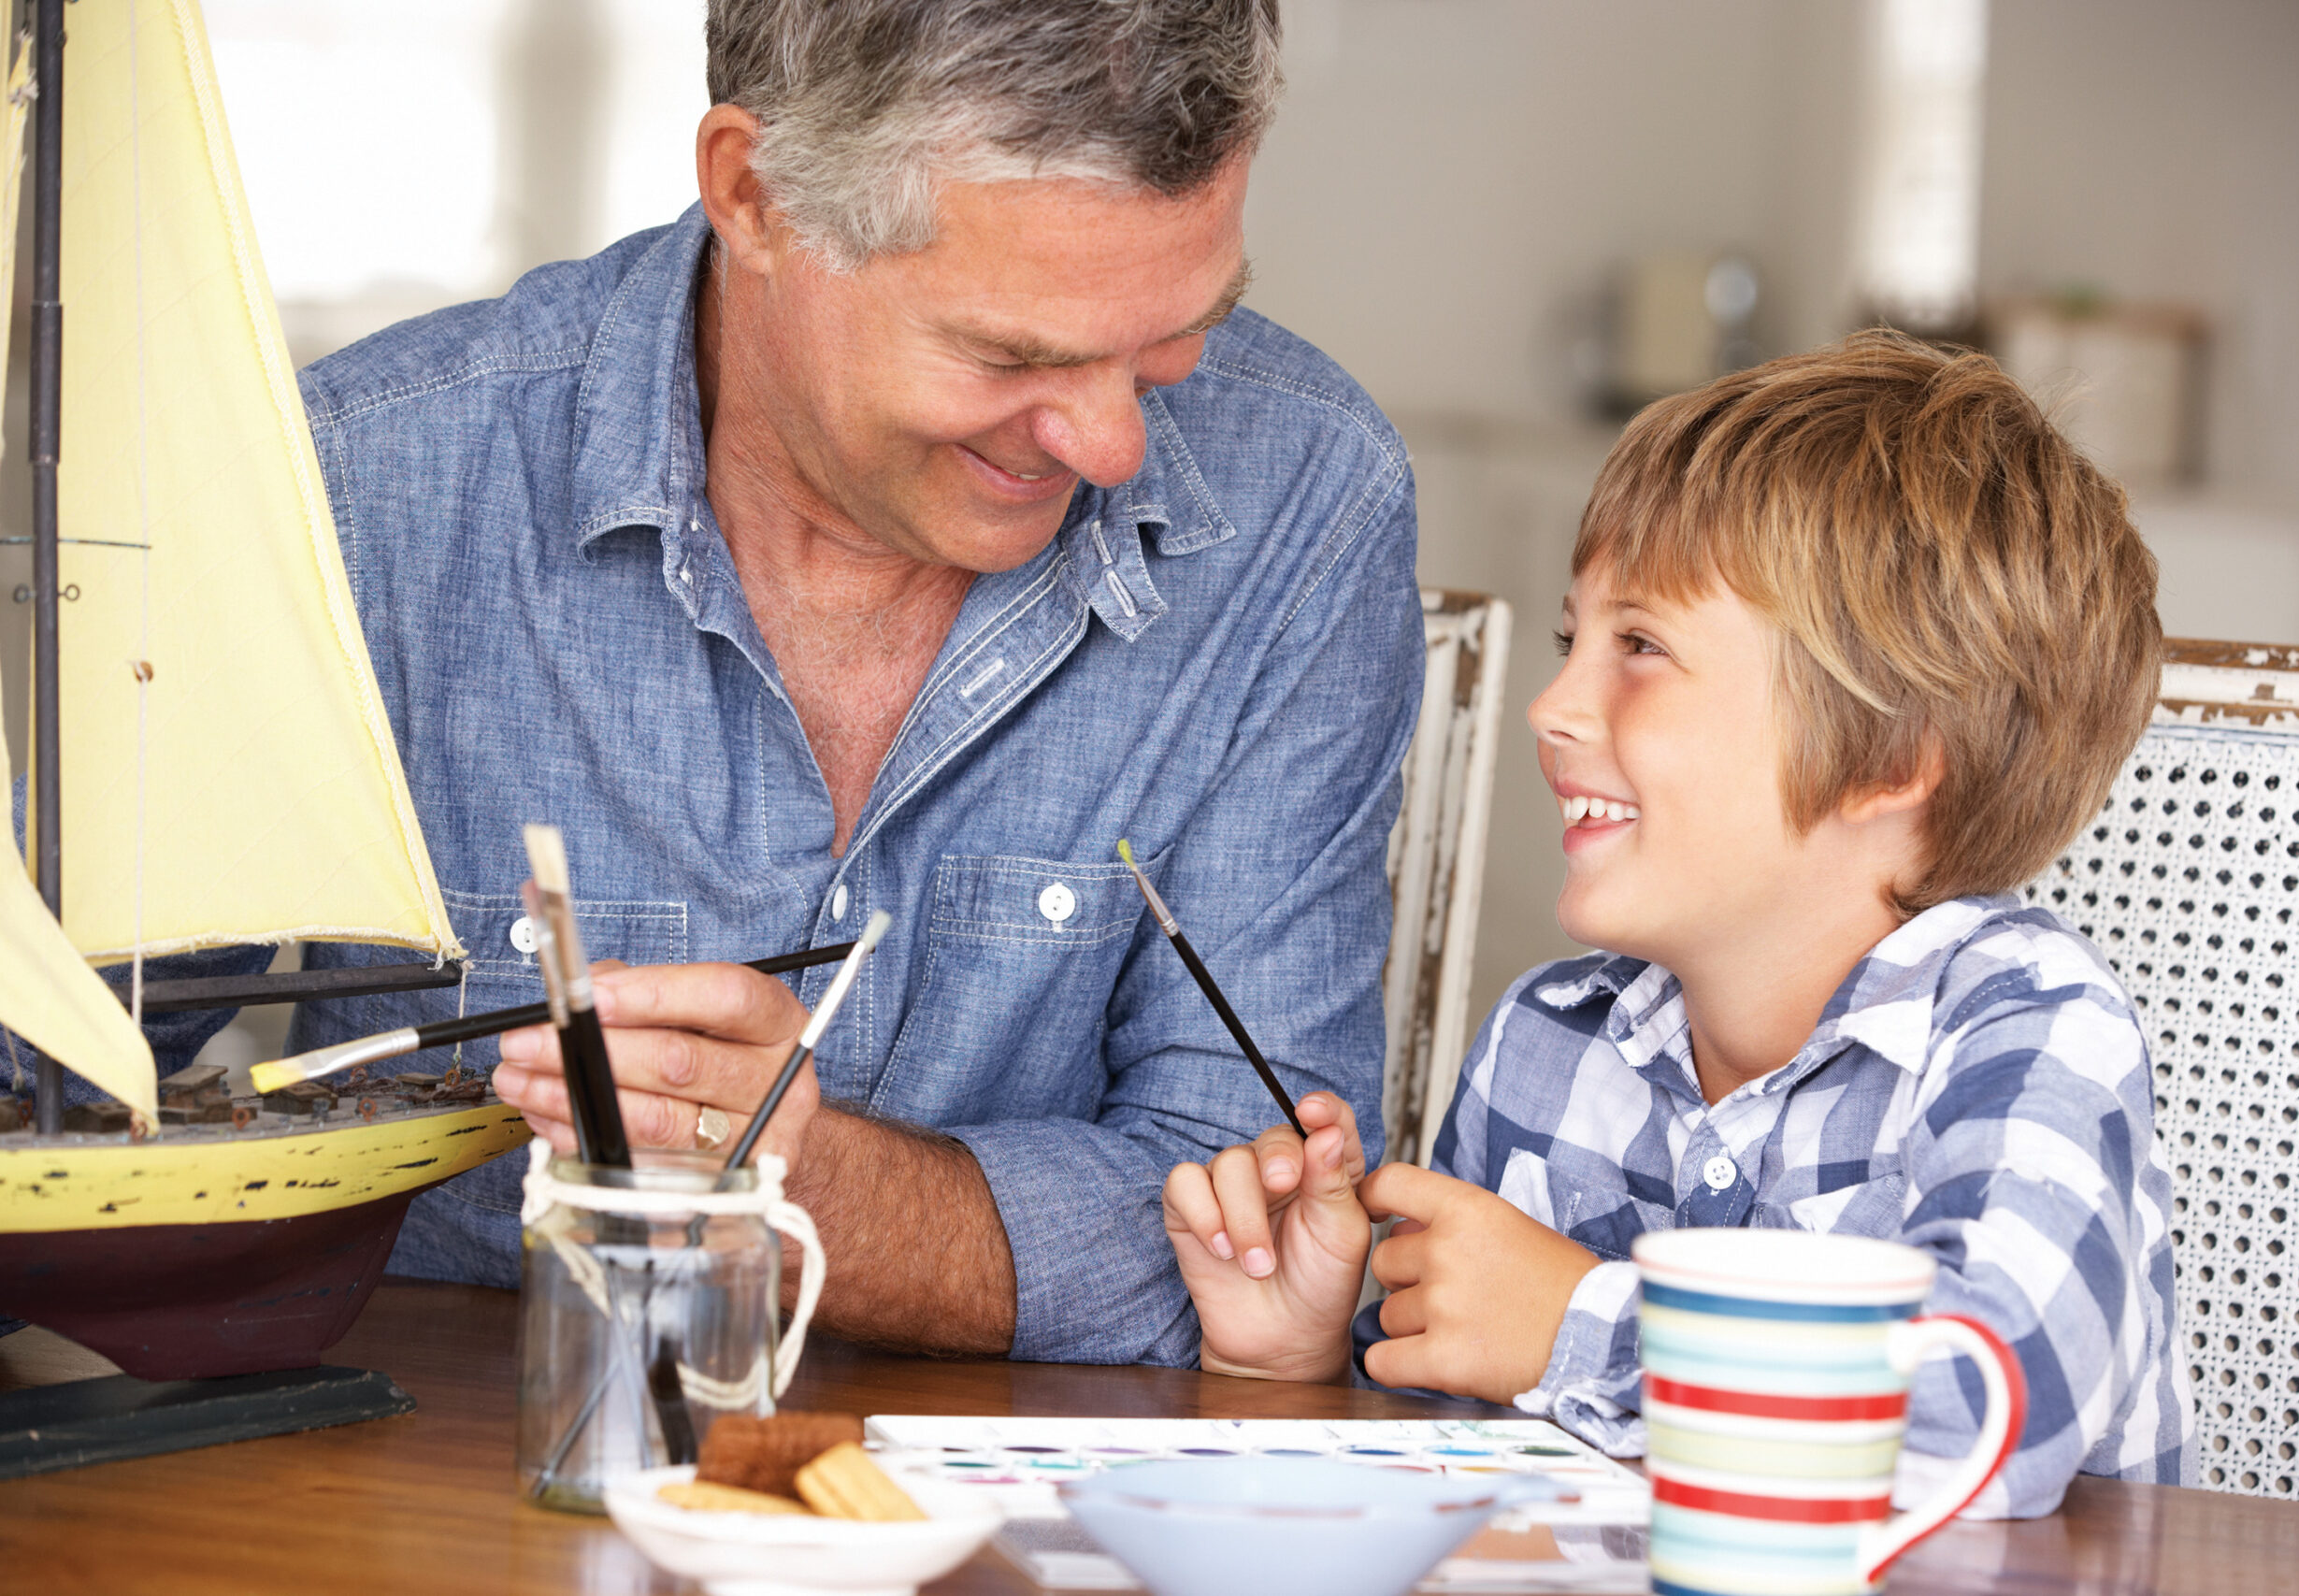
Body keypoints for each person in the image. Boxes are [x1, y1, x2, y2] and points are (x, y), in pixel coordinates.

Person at [151, 0, 1421, 1366]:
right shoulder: (354, 487)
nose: (1116, 445)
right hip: (409, 1501)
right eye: (1013, 353)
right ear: (755, 197)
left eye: (1177, 332)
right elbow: (56, 1082)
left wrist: (797, 1180)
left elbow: (1267, 1244)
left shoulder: (1307, 498)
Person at [1164, 331, 2191, 1516]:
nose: (1550, 707)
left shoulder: (2029, 1028)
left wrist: (1568, 1319)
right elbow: (1455, 1481)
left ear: (1892, 759)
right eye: (1571, 642)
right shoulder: (1548, 1045)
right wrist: (1302, 1365)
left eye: (1640, 647)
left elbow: (1985, 1414)